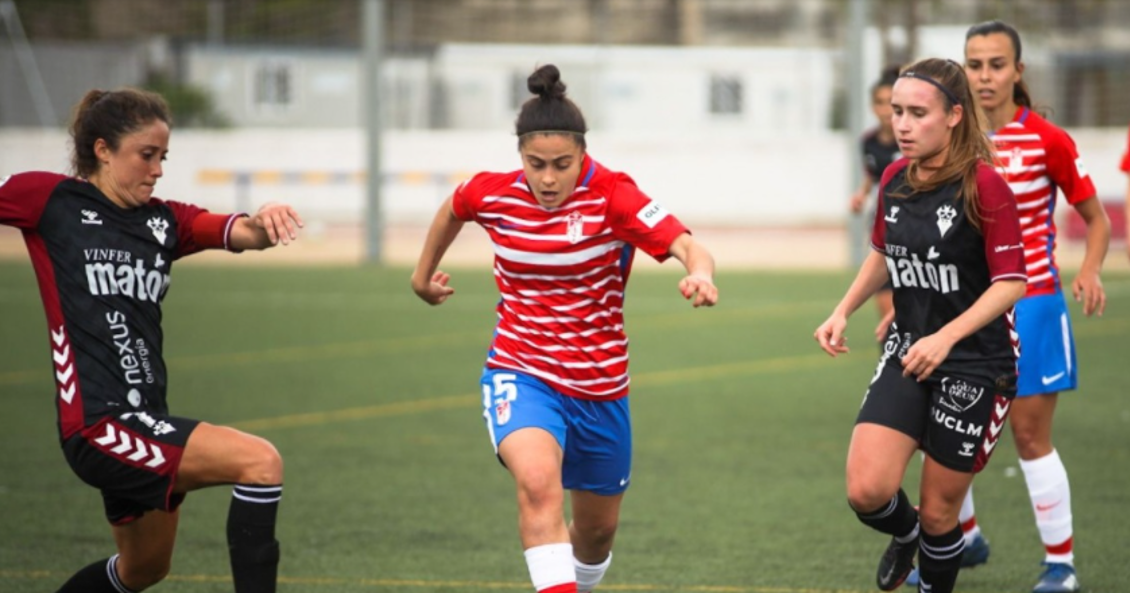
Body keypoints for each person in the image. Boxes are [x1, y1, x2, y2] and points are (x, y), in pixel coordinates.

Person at [410, 64, 717, 593]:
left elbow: (686, 242)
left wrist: (700, 272)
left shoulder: (614, 196)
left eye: (562, 165)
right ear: (520, 158)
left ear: (583, 155)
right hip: (521, 369)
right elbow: (453, 208)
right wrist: (421, 278)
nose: (548, 179)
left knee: (596, 533)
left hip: (600, 387)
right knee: (537, 486)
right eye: (536, 165)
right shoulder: (494, 194)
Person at [0, 88, 303, 592]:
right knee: (260, 462)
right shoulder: (49, 199)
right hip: (97, 425)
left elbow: (244, 232)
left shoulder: (164, 221)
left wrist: (266, 217)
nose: (158, 169)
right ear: (102, 150)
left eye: (163, 157)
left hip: (147, 419)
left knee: (144, 569)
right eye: (147, 155)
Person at [908, 21, 1112, 593]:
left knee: (1027, 437)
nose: (984, 76)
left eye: (997, 65)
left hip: (1035, 305)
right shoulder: (950, 139)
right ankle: (965, 538)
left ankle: (1061, 566)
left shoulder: (1048, 139)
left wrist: (1090, 268)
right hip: (962, 313)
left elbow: (1094, 219)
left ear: (1018, 71)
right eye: (974, 65)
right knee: (943, 430)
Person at [814, 57, 1027, 593]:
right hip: (909, 349)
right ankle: (903, 535)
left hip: (976, 363)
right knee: (867, 491)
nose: (902, 126)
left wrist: (947, 336)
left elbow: (1011, 284)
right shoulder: (893, 176)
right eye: (896, 112)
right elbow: (884, 252)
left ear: (955, 115)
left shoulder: (986, 187)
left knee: (940, 515)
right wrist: (843, 309)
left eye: (917, 113)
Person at [849, 65, 902, 342]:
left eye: (892, 103)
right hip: (883, 230)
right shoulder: (868, 143)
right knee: (886, 310)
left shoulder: (912, 140)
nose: (886, 110)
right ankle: (892, 364)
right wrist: (862, 194)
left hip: (912, 231)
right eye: (880, 103)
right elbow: (874, 176)